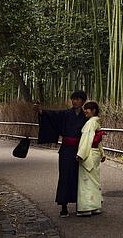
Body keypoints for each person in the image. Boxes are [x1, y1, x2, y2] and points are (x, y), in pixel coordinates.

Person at [34, 90, 88, 218]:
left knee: (80, 177)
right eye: (73, 99)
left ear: (83, 101)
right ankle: (63, 206)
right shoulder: (65, 114)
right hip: (66, 150)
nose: (74, 101)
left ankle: (81, 204)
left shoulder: (86, 117)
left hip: (81, 149)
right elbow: (52, 115)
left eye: (77, 99)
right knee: (65, 176)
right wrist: (41, 111)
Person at [76, 101, 106, 217]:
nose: (85, 111)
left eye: (87, 109)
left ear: (93, 110)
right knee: (94, 180)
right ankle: (96, 207)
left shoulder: (90, 123)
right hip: (95, 154)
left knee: (86, 181)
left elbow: (87, 140)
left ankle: (86, 207)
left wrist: (80, 154)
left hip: (88, 153)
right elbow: (98, 141)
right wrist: (102, 154)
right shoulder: (96, 122)